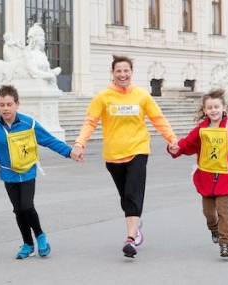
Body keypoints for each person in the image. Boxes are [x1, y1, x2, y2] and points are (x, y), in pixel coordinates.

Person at [0, 85, 80, 260]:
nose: (5, 108)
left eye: (9, 104)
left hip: (28, 172)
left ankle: (40, 236)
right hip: (8, 174)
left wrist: (69, 152)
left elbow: (49, 140)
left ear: (17, 104)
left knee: (27, 206)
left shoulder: (29, 123)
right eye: (2, 104)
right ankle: (27, 244)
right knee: (18, 210)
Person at [71, 55, 178, 258]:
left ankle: (130, 239)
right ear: (112, 73)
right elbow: (90, 122)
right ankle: (136, 224)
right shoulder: (103, 97)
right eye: (118, 71)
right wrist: (79, 143)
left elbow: (158, 118)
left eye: (126, 70)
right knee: (125, 197)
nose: (122, 74)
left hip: (138, 150)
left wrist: (171, 138)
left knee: (132, 194)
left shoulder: (142, 95)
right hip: (113, 155)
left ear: (131, 72)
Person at [167, 89, 228, 257]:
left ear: (224, 107)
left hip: (225, 177)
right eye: (209, 107)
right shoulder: (201, 129)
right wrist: (175, 148)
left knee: (223, 210)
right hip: (205, 177)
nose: (213, 110)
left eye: (216, 106)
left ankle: (225, 243)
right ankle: (214, 229)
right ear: (204, 110)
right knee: (208, 212)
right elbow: (187, 144)